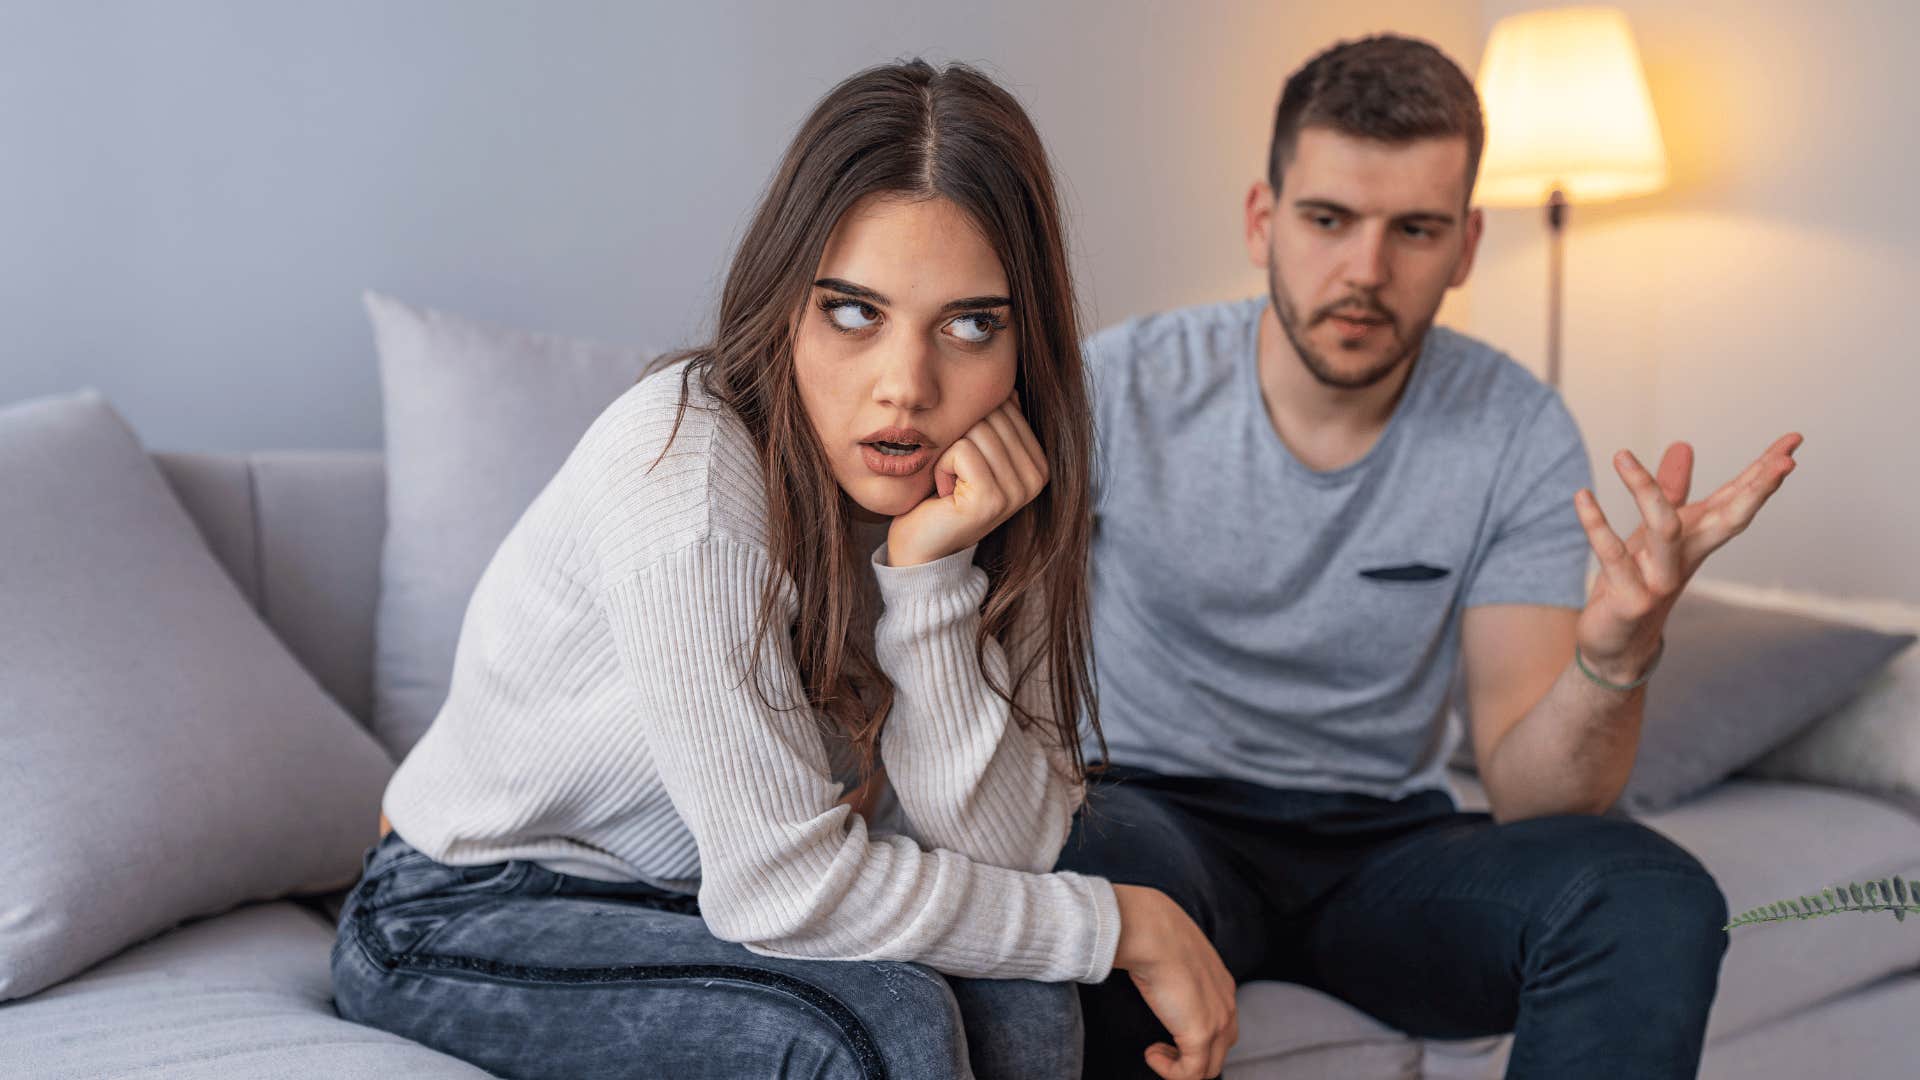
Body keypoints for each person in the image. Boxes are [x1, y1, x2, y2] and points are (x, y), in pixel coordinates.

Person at [329, 59, 1238, 1080]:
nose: (907, 386)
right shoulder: (687, 473)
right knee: (873, 1030)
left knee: (1025, 1002)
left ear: (1024, 345)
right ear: (786, 306)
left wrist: (932, 584)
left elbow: (1007, 855)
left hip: (699, 901)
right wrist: (1119, 922)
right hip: (465, 904)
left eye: (971, 323)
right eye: (855, 311)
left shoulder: (986, 492)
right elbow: (778, 893)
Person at [1054, 33, 1802, 1080]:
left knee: (1650, 889)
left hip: (1383, 852)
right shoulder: (1120, 388)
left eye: (1414, 230)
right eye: (1328, 221)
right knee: (1082, 869)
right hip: (1158, 811)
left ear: (1465, 247)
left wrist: (1618, 656)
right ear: (1263, 220)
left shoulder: (1515, 427)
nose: (1366, 270)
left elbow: (1538, 797)